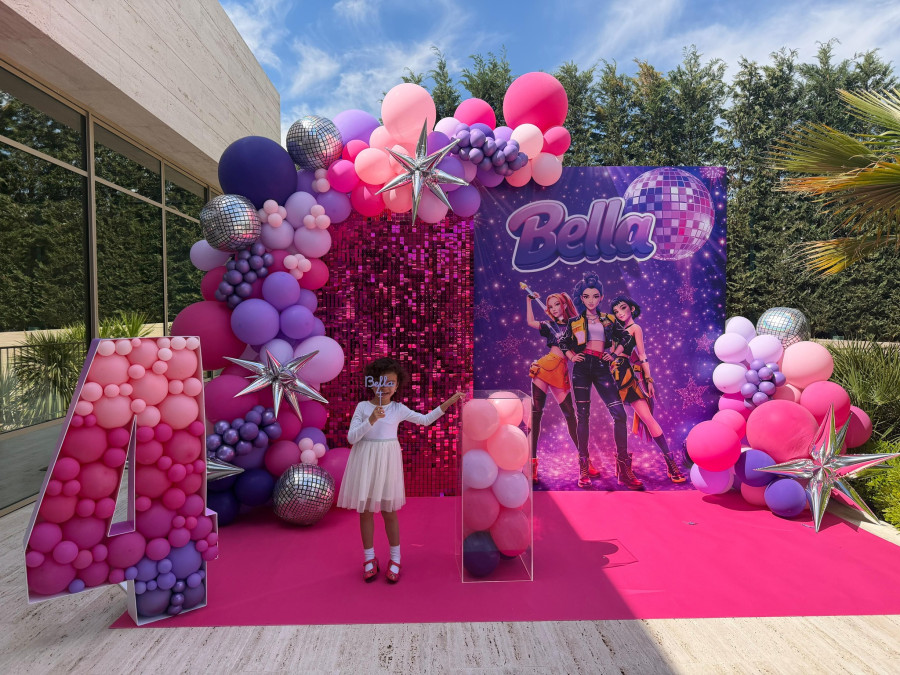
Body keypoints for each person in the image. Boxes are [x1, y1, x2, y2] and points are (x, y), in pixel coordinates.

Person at [336, 357, 464, 583]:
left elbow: (425, 420)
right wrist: (371, 420)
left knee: (389, 511)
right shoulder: (363, 407)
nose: (385, 387)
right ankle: (369, 558)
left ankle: (396, 558)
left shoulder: (398, 409)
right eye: (380, 381)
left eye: (391, 383)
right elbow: (352, 438)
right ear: (371, 383)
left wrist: (448, 403)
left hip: (387, 461)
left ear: (397, 386)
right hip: (365, 460)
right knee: (365, 512)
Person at [561, 273, 643, 490]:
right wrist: (571, 357)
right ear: (582, 298)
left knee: (619, 414)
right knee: (583, 417)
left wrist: (614, 354)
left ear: (601, 298)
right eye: (587, 296)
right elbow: (563, 342)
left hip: (601, 367)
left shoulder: (609, 319)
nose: (591, 300)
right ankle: (583, 467)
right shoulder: (575, 322)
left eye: (595, 296)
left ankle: (624, 468)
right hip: (581, 369)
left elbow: (626, 338)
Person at [608, 296, 686, 483]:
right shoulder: (614, 329)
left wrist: (648, 379)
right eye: (616, 311)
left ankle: (670, 462)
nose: (620, 313)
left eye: (623, 308)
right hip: (609, 375)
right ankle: (622, 464)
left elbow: (641, 355)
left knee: (648, 419)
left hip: (626, 377)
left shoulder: (635, 328)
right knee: (617, 421)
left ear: (632, 308)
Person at [525, 289, 580, 484]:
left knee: (570, 415)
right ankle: (531, 464)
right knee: (536, 415)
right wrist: (529, 301)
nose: (554, 308)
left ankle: (584, 460)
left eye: (557, 304)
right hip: (544, 367)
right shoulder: (548, 325)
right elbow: (531, 322)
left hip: (560, 371)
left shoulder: (575, 325)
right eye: (550, 306)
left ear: (564, 305)